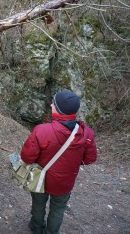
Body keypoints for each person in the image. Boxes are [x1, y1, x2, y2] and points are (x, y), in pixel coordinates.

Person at [20, 90, 97, 234]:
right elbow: (89, 159)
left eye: (53, 104)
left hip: (41, 178)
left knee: (38, 204)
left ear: (58, 109)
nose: (50, 105)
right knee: (58, 208)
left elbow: (27, 157)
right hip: (65, 182)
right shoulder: (87, 134)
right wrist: (71, 161)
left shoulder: (42, 131)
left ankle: (36, 227)